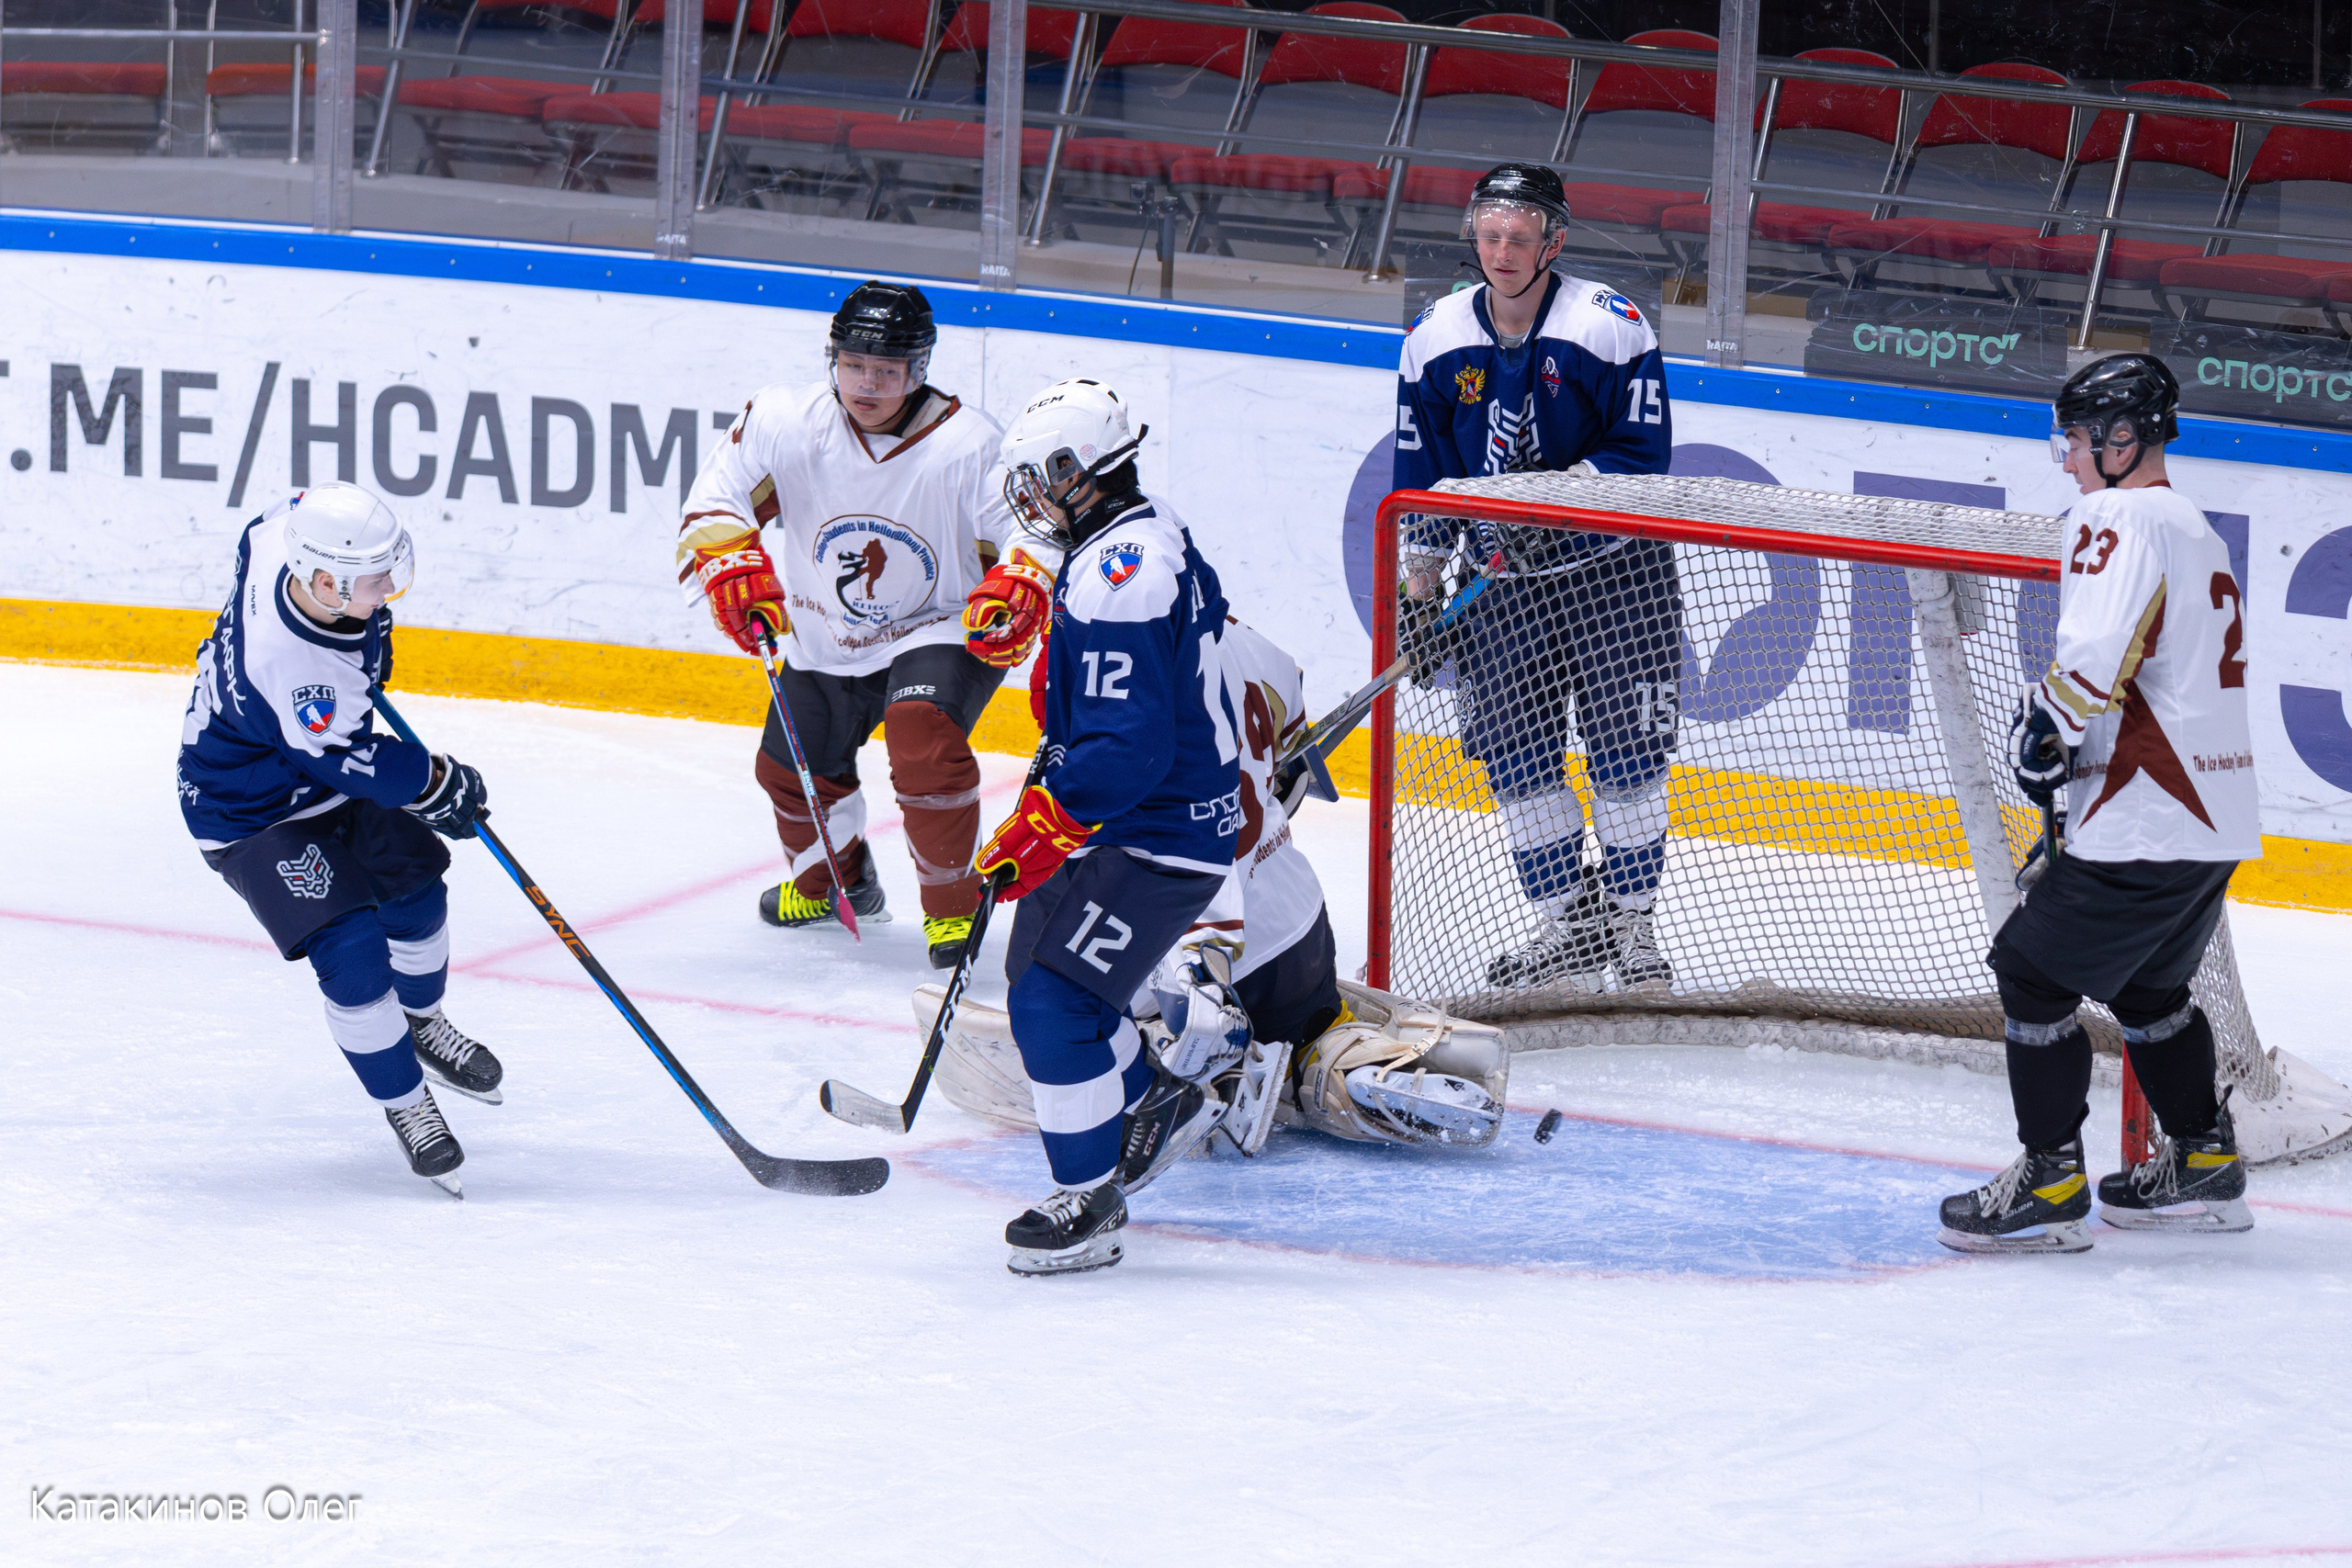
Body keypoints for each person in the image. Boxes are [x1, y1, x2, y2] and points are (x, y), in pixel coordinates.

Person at [932, 618, 1511, 1157]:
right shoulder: (1248, 641)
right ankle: (1337, 1061)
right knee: (1306, 1016)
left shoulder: (1102, 655)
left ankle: (1182, 1058)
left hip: (1181, 939)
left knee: (1051, 984)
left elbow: (1102, 805)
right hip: (1293, 927)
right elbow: (1287, 764)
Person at [1939, 355, 2260, 1254]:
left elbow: (2096, 649)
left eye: (2075, 440)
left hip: (2150, 811)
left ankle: (2049, 1180)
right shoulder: (2196, 526)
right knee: (2146, 987)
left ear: (2122, 441)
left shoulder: (2113, 513)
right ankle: (2200, 1162)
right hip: (2214, 814)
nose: (2067, 459)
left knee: (2031, 975)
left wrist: (2046, 728)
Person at [677, 281, 1049, 969]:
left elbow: (1030, 535)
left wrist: (1022, 581)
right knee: (787, 768)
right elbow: (716, 495)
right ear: (833, 360)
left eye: (886, 370)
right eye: (853, 365)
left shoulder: (971, 445)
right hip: (824, 629)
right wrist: (728, 557)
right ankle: (836, 881)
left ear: (919, 369)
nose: (867, 383)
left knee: (922, 741)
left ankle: (952, 909)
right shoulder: (786, 419)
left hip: (937, 627)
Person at [971, 378, 1241, 1278]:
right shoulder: (1133, 533)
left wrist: (1044, 824)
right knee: (1032, 973)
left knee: (1055, 1003)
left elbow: (1127, 750)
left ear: (1074, 473)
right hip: (1131, 813)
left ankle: (1086, 1200)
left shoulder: (1121, 579)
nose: (1030, 506)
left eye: (1038, 485)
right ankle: (1153, 1097)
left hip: (1153, 833)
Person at [1393, 161, 1682, 996]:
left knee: (1628, 762)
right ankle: (1565, 927)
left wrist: (1547, 510)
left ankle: (1634, 931)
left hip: (1614, 576)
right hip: (1504, 587)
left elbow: (1641, 458)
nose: (1504, 248)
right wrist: (1419, 599)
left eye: (1521, 235)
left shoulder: (1611, 326)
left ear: (1553, 241)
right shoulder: (1435, 338)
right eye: (1490, 232)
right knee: (1517, 763)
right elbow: (1426, 479)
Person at [175, 483, 497, 1197]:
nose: (389, 589)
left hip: (310, 773)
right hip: (250, 812)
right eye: (375, 581)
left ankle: (422, 1022)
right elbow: (345, 757)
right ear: (324, 580)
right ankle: (407, 1101)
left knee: (417, 895)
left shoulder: (280, 534)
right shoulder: (297, 672)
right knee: (352, 953)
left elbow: (263, 525)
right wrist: (434, 777)